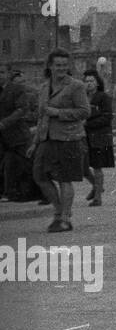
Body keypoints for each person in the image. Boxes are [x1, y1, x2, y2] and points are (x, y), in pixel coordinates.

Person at [30, 49, 90, 232]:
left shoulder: (76, 86)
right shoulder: (43, 87)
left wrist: (58, 113)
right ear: (50, 66)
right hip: (46, 138)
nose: (61, 68)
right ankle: (58, 210)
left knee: (65, 179)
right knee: (39, 175)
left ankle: (64, 218)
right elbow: (41, 116)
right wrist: (35, 142)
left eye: (65, 65)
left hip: (69, 138)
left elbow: (85, 111)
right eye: (58, 65)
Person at [1, 68, 41, 203]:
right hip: (6, 136)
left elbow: (25, 111)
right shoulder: (4, 91)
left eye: (2, 72)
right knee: (10, 165)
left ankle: (43, 192)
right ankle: (11, 192)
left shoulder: (24, 92)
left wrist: (5, 123)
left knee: (29, 162)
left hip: (21, 133)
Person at [82, 69, 114, 206]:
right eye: (86, 81)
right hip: (84, 136)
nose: (88, 84)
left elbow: (107, 117)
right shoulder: (82, 97)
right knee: (82, 166)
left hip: (99, 136)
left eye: (91, 81)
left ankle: (97, 198)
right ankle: (97, 186)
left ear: (97, 83)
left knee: (97, 166)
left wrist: (88, 124)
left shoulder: (103, 97)